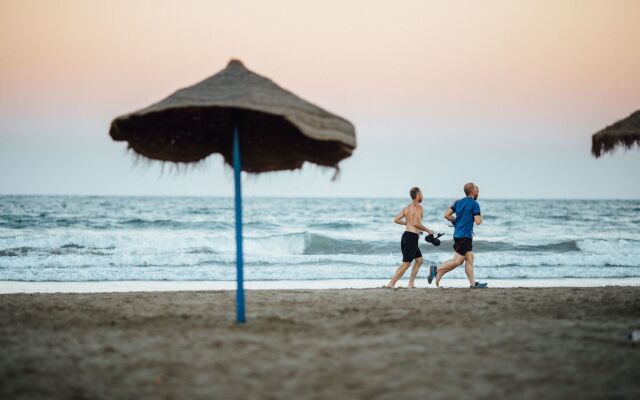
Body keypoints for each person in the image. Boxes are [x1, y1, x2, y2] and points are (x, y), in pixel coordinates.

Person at [427, 183, 488, 289]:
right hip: (465, 237)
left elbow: (446, 215)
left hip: (458, 235)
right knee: (457, 261)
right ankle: (436, 270)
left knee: (469, 258)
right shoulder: (474, 204)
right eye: (477, 191)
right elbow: (478, 221)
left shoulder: (458, 202)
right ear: (473, 192)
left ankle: (473, 284)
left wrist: (457, 221)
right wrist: (480, 216)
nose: (478, 193)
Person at [386, 187, 435, 289]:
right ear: (417, 195)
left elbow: (396, 219)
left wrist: (408, 223)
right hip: (411, 238)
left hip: (406, 236)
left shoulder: (407, 208)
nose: (422, 195)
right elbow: (416, 223)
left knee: (419, 260)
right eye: (421, 193)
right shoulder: (419, 208)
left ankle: (411, 283)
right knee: (406, 263)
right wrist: (428, 230)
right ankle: (391, 283)